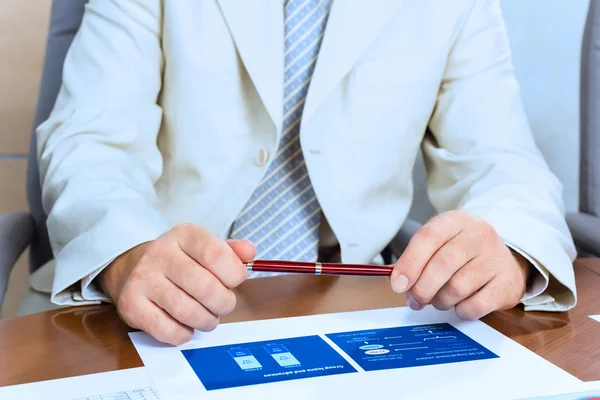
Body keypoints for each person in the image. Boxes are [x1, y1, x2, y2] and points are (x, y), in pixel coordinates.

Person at [33, 0, 577, 345]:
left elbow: (505, 164)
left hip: (357, 306)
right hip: (161, 304)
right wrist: (127, 252)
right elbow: (90, 141)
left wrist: (504, 248)